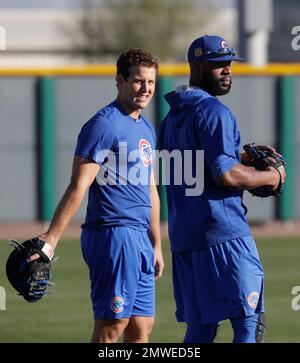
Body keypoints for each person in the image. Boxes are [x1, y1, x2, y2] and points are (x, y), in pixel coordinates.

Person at [29, 48, 164, 343]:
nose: (146, 88)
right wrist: (50, 241)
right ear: (120, 80)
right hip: (112, 235)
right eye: (138, 81)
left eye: (151, 82)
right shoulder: (104, 124)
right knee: (111, 328)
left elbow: (150, 188)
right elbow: (79, 185)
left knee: (142, 329)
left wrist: (156, 243)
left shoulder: (146, 128)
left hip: (140, 238)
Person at [158, 35, 286, 343]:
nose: (227, 70)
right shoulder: (214, 112)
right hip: (223, 234)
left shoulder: (170, 119)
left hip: (186, 238)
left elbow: (196, 166)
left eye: (229, 63)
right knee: (249, 321)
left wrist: (238, 158)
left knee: (201, 328)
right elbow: (226, 176)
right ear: (198, 67)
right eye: (218, 64)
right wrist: (273, 177)